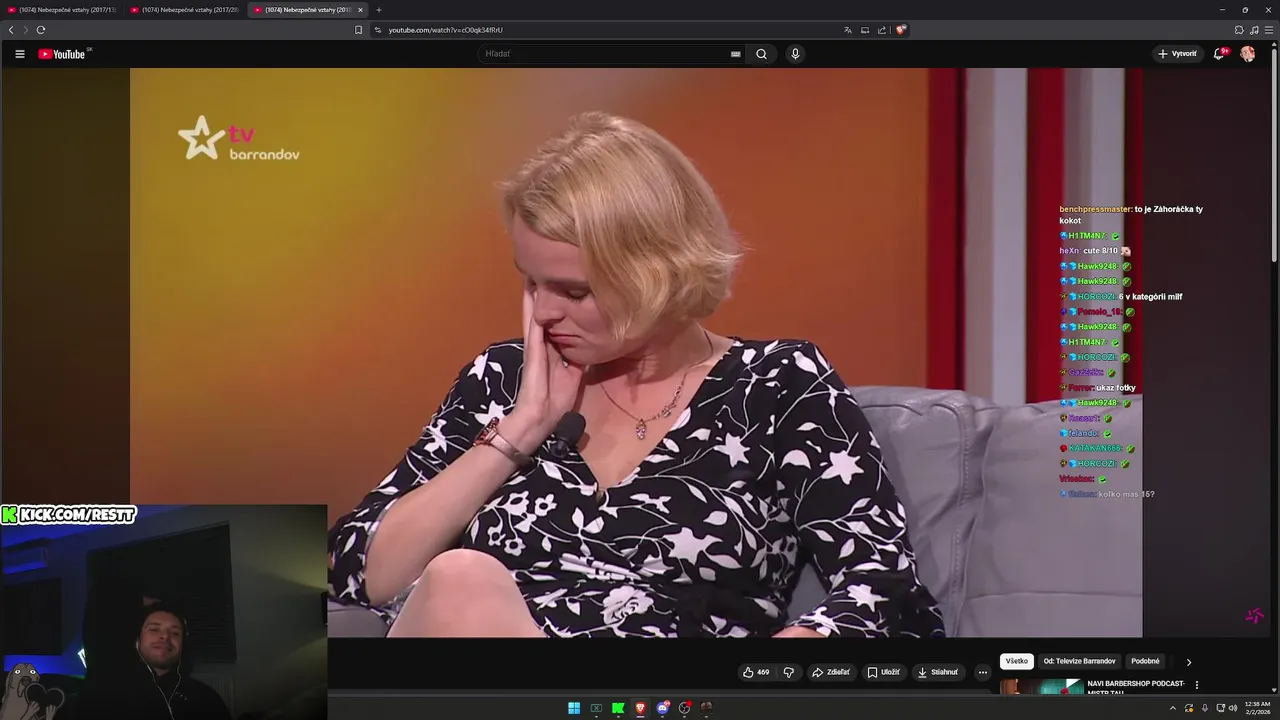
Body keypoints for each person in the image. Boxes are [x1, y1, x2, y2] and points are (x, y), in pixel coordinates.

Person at [328, 111, 945, 639]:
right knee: (460, 579)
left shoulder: (778, 385)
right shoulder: (502, 380)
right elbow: (355, 571)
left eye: (574, 291)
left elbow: (884, 587)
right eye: (531, 283)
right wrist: (522, 428)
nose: (543, 314)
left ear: (661, 271)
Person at [72, 604, 231, 720]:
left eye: (175, 633)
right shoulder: (106, 694)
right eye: (154, 629)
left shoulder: (205, 698)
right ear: (137, 640)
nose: (165, 636)